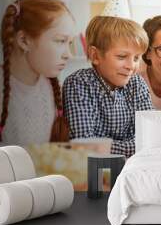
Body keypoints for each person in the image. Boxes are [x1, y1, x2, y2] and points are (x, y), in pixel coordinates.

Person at [63, 16, 153, 157]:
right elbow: (86, 145)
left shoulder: (138, 84)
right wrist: (134, 147)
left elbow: (150, 138)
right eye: (122, 56)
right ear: (95, 55)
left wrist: (105, 147)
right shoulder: (78, 84)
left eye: (136, 58)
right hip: (93, 171)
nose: (131, 66)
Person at [0, 0, 75, 146]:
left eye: (69, 43)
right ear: (24, 41)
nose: (68, 55)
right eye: (60, 41)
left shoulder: (54, 89)